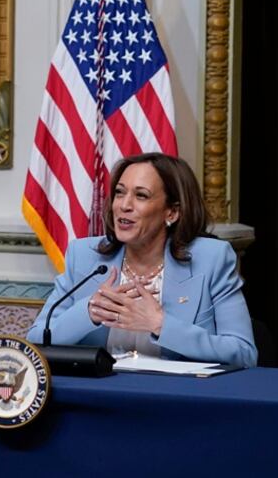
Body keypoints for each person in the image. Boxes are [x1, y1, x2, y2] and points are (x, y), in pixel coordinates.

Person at [27, 152, 257, 367]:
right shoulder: (85, 256)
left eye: (141, 196)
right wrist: (90, 311)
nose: (124, 206)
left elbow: (244, 353)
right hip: (101, 396)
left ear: (172, 212)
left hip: (175, 400)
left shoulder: (211, 259)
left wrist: (160, 324)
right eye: (119, 192)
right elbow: (35, 341)